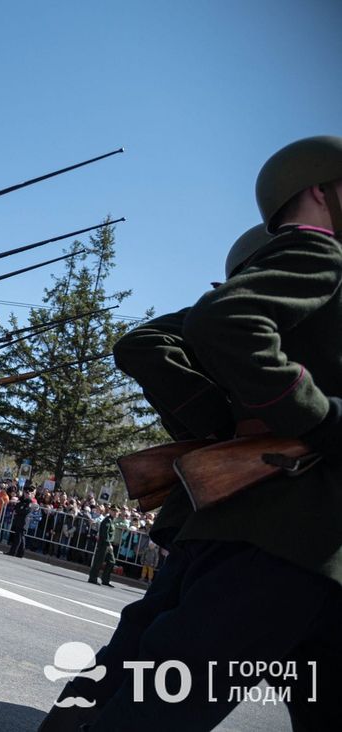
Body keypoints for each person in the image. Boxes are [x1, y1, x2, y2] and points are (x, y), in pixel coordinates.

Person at [82, 136, 342, 731]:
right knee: (158, 699)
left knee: (145, 677)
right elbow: (204, 329)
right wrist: (307, 419)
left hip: (300, 536)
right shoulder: (320, 256)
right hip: (287, 532)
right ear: (319, 190)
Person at [87, 509, 116, 586]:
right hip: (103, 544)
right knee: (98, 561)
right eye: (114, 511)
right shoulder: (107, 520)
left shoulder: (112, 520)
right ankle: (93, 578)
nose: (116, 513)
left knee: (111, 561)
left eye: (117, 512)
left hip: (108, 545)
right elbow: (105, 534)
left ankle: (105, 579)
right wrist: (109, 544)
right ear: (111, 512)